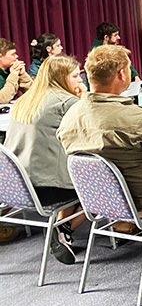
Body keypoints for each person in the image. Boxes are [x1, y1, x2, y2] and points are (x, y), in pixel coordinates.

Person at [58, 45, 142, 221]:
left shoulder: (69, 117)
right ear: (121, 74)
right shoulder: (135, 117)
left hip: (102, 201)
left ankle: (124, 224)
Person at [4, 55, 87, 264]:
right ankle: (64, 227)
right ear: (61, 78)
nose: (80, 81)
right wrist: (84, 99)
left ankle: (62, 229)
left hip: (15, 187)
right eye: (76, 76)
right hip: (46, 188)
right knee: (101, 184)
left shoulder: (24, 100)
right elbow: (91, 132)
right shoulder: (66, 102)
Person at [0, 37, 32, 104]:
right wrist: (13, 75)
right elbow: (2, 99)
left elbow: (35, 93)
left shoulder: (10, 70)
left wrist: (23, 75)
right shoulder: (12, 73)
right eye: (13, 54)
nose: (17, 56)